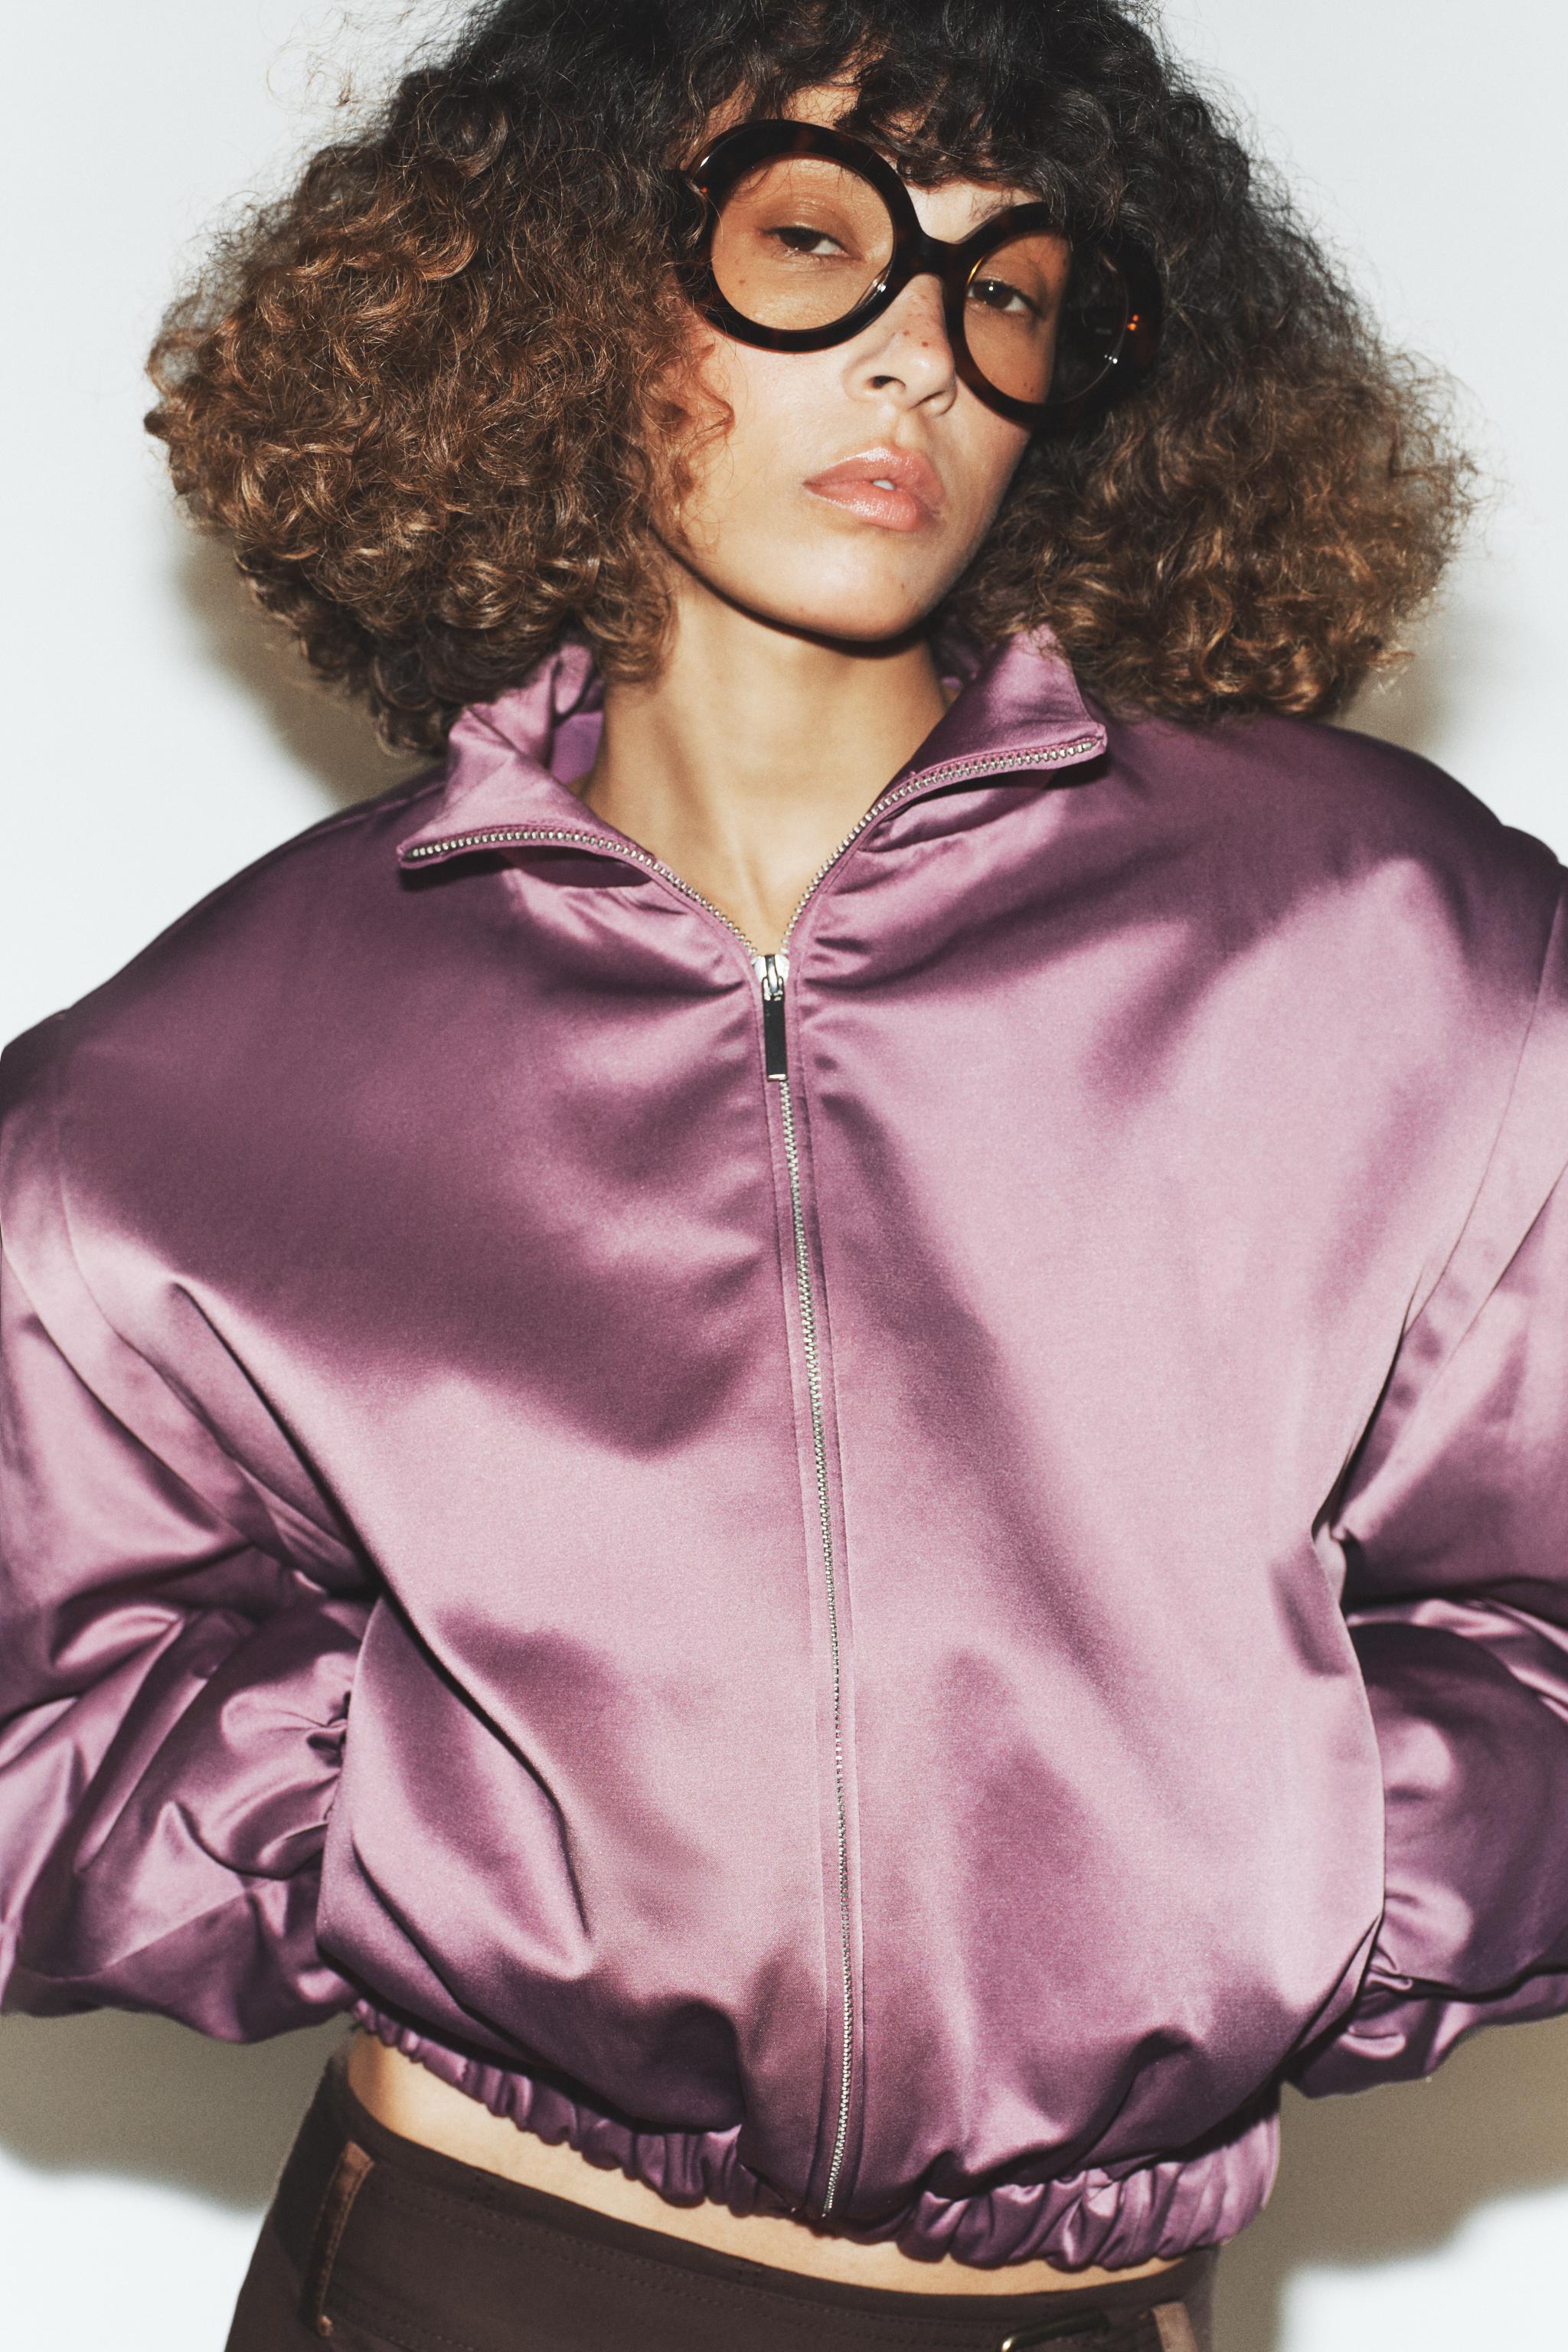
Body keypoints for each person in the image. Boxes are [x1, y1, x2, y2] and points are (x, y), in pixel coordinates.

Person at [4, 2, 1565, 2347]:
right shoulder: (218, 1071)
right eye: (813, 242)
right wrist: (419, 1830)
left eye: (1005, 285)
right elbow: (43, 1713)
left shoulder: (1391, 946)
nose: (921, 354)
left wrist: (1296, 1873)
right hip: (460, 2281)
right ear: (561, 292)